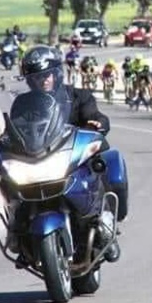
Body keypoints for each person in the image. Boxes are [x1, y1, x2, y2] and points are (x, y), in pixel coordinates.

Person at [15, 45, 120, 261]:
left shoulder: (79, 97)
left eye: (46, 75)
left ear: (56, 74)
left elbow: (95, 115)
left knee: (98, 166)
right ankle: (18, 235)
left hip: (72, 158)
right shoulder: (23, 104)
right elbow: (14, 127)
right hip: (39, 159)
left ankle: (105, 224)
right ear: (29, 80)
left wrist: (97, 123)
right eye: (36, 77)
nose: (43, 80)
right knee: (12, 184)